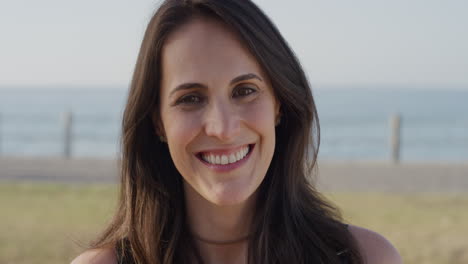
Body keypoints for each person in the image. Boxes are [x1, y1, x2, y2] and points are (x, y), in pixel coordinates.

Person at [72, 0, 402, 263]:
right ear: (157, 121)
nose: (223, 129)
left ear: (279, 103)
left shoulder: (369, 258)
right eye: (190, 99)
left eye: (244, 91)